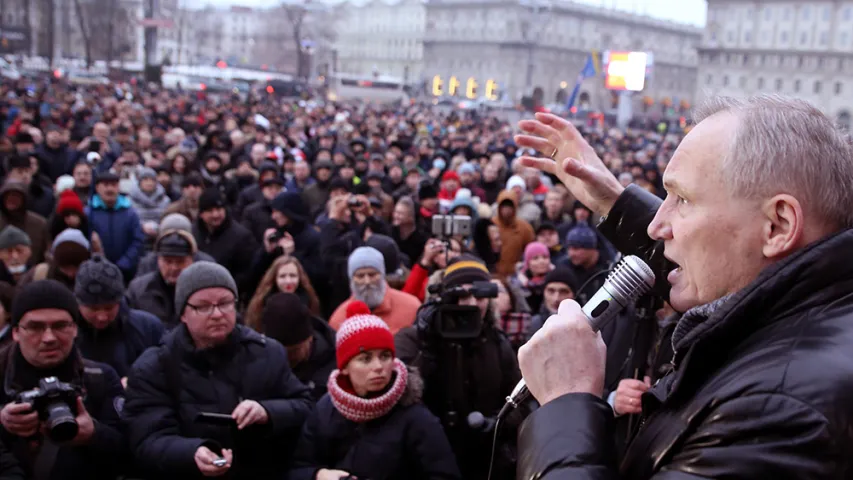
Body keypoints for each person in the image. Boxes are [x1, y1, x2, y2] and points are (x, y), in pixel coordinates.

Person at [514, 98, 853, 478]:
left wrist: (567, 405)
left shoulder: (779, 408)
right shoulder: (817, 320)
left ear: (777, 225)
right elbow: (729, 259)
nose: (657, 226)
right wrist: (615, 202)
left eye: (683, 199)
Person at [123, 262, 313, 479]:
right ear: (183, 313)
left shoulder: (267, 353)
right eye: (203, 307)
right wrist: (191, 452)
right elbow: (146, 438)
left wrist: (267, 412)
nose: (217, 314)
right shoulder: (154, 367)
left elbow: (304, 406)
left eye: (225, 303)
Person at [289, 302, 461, 480]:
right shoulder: (325, 410)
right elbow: (298, 468)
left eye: (385, 356)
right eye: (365, 359)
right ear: (345, 367)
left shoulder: (414, 416)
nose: (378, 367)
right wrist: (319, 475)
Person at [396, 255, 522, 480]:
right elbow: (401, 396)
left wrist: (500, 422)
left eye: (479, 295)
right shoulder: (413, 339)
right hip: (429, 457)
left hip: (483, 459)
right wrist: (428, 346)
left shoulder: (497, 343)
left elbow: (519, 398)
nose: (472, 303)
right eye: (462, 295)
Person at [0, 280, 126, 479]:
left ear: (75, 329)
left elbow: (129, 453)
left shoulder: (99, 378)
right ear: (15, 332)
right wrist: (3, 423)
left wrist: (94, 434)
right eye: (35, 327)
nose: (49, 338)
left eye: (60, 325)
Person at [74, 255, 164, 380]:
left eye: (109, 308)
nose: (102, 317)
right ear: (79, 304)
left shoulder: (149, 328)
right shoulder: (65, 334)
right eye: (93, 309)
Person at [257, 293, 335, 401]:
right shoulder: (257, 359)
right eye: (278, 351)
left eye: (293, 352)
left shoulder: (333, 364)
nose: (286, 358)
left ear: (310, 339)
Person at [328, 247, 421, 335]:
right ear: (351, 279)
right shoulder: (339, 320)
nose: (367, 282)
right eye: (360, 276)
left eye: (372, 274)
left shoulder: (411, 307)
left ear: (383, 275)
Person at [126, 229, 198, 325]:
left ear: (191, 260)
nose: (174, 268)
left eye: (180, 261)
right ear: (158, 260)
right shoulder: (138, 290)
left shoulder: (202, 290)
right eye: (168, 261)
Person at [85, 171, 145, 282]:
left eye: (113, 185)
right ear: (97, 188)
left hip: (126, 272)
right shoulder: (89, 213)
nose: (110, 189)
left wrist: (124, 263)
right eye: (106, 185)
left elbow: (138, 240)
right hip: (95, 271)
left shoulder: (130, 213)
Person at [246, 255, 321, 328]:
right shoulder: (262, 304)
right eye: (282, 276)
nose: (288, 281)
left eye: (292, 276)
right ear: (275, 278)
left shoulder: (309, 301)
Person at [17, 228, 91, 291]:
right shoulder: (40, 274)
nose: (70, 274)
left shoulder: (93, 279)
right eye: (66, 268)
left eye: (75, 268)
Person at [0, 182, 49, 266]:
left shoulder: (39, 223)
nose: (11, 199)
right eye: (8, 195)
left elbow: (45, 253)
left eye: (16, 195)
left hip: (32, 272)